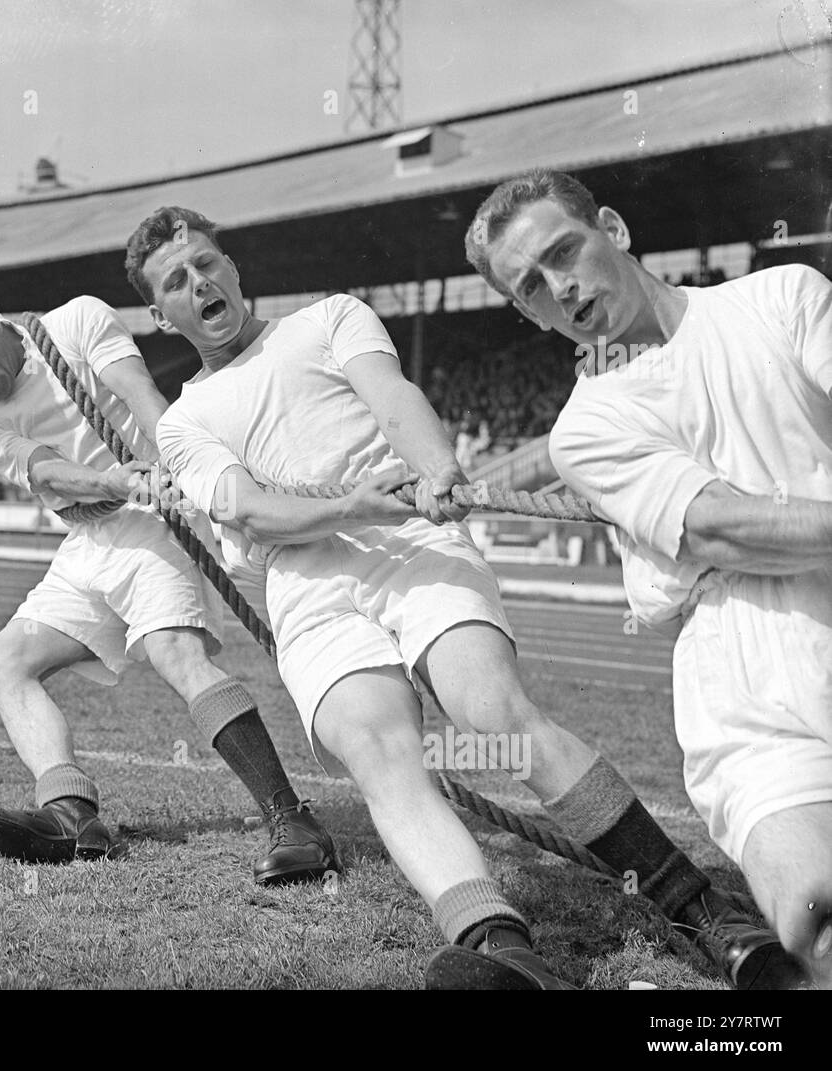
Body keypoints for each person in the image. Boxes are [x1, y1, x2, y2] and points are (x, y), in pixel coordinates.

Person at [129, 205, 805, 989]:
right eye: (176, 281)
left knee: (493, 715)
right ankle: (503, 953)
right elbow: (247, 508)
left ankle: (707, 916)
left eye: (207, 262)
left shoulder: (328, 318)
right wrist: (354, 503)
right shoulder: (180, 424)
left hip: (411, 540)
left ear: (232, 267)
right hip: (307, 586)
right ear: (160, 314)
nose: (199, 283)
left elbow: (393, 397)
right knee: (383, 759)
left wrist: (435, 466)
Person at [464, 167, 832, 987]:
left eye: (565, 252)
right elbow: (718, 527)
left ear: (614, 229)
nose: (562, 290)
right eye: (531, 289)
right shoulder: (586, 428)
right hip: (749, 678)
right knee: (814, 913)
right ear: (526, 313)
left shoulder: (784, 298)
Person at [0, 282, 336, 886]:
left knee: (176, 656)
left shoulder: (75, 321)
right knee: (5, 664)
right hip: (91, 537)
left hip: (157, 522)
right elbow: (46, 469)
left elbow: (144, 398)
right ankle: (72, 816)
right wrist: (114, 484)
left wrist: (174, 470)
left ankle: (294, 822)